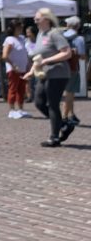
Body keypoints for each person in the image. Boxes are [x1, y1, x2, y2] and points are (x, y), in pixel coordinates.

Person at [24, 8, 72, 147]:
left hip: (58, 74)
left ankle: (54, 137)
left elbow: (67, 53)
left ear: (46, 19)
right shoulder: (40, 34)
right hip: (44, 74)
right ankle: (64, 125)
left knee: (52, 104)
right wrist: (31, 72)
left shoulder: (54, 34)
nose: (35, 20)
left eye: (37, 18)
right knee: (39, 102)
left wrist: (47, 61)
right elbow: (39, 58)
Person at [2, 20, 31, 119]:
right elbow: (5, 56)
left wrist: (28, 65)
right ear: (12, 29)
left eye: (21, 28)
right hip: (14, 69)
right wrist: (13, 65)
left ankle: (21, 109)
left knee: (21, 90)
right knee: (13, 89)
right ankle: (11, 110)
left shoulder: (22, 38)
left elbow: (24, 53)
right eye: (18, 28)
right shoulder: (9, 39)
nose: (20, 29)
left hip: (23, 68)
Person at [61, 15, 85, 127]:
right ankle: (64, 117)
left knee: (67, 93)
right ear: (77, 26)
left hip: (60, 67)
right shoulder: (79, 38)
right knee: (70, 93)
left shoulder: (61, 36)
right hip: (72, 68)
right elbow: (82, 56)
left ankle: (71, 114)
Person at [24, 25, 38, 102]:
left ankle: (37, 95)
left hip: (37, 60)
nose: (27, 34)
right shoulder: (25, 41)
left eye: (29, 32)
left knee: (37, 79)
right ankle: (29, 96)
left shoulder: (38, 40)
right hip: (28, 60)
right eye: (27, 32)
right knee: (28, 80)